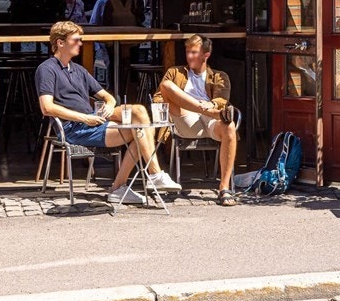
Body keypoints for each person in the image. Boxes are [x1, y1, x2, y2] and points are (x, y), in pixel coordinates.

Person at [35, 20, 179, 205]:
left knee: (139, 111)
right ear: (60, 43)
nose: (80, 43)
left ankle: (151, 176)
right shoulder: (47, 69)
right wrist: (84, 117)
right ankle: (131, 184)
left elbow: (107, 96)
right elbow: (46, 108)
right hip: (75, 127)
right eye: (76, 40)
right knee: (141, 132)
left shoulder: (78, 70)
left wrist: (110, 105)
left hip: (95, 119)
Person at [158, 35, 241, 206]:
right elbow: (159, 97)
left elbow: (221, 100)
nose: (189, 56)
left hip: (210, 117)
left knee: (230, 126)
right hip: (185, 119)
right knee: (166, 85)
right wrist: (198, 106)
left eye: (194, 52)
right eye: (188, 52)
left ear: (206, 55)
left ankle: (224, 188)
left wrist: (210, 106)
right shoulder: (175, 72)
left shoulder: (219, 76)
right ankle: (201, 108)